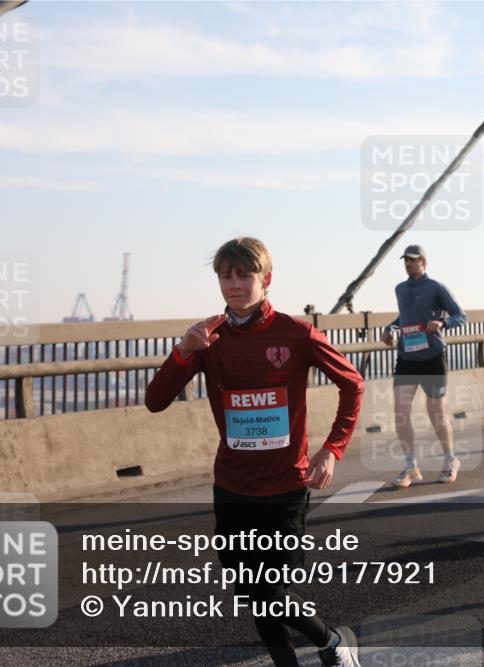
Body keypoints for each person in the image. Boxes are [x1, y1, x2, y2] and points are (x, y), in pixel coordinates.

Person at [145, 237, 364, 667]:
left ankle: (334, 642)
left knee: (269, 591)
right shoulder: (208, 338)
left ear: (266, 279)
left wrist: (332, 449)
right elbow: (155, 400)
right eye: (225, 277)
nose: (234, 285)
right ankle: (322, 648)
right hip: (232, 485)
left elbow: (352, 384)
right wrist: (184, 351)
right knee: (251, 590)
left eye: (243, 276)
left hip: (284, 484)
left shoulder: (295, 333)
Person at [380, 244, 467, 488]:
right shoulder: (400, 289)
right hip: (407, 357)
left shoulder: (436, 288)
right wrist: (390, 329)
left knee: (436, 413)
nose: (409, 264)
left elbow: (461, 315)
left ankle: (451, 461)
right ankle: (411, 467)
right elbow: (404, 318)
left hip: (432, 357)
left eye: (413, 260)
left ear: (424, 262)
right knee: (401, 410)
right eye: (406, 260)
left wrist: (442, 322)